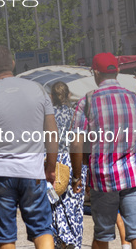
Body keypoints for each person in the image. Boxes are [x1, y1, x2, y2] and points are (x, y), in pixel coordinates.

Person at [0, 45, 58, 249]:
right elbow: (52, 133)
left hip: (0, 175)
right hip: (33, 173)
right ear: (13, 64)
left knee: (5, 237)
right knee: (42, 230)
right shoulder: (39, 90)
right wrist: (50, 168)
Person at [70, 53, 136, 249]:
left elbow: (76, 143)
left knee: (102, 234)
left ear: (96, 73)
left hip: (103, 178)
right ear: (117, 71)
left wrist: (76, 176)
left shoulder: (87, 101)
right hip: (133, 176)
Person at [49, 81, 87, 249]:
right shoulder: (75, 115)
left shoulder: (48, 117)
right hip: (74, 162)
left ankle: (61, 239)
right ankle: (73, 239)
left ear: (52, 97)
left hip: (53, 163)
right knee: (75, 204)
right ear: (69, 95)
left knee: (55, 203)